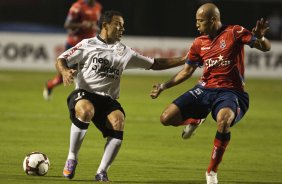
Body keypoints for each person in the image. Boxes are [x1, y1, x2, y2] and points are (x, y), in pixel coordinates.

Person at [56, 10, 187, 182]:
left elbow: (155, 63)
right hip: (84, 93)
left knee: (118, 121)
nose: (122, 29)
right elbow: (61, 59)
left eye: (123, 26)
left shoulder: (125, 52)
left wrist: (184, 59)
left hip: (107, 99)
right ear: (105, 25)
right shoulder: (87, 44)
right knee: (86, 110)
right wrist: (65, 71)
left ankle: (101, 172)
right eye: (118, 25)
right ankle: (72, 157)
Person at [150, 3, 271, 184]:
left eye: (200, 21)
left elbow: (265, 47)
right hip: (204, 89)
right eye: (196, 21)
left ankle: (211, 171)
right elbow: (186, 71)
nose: (197, 25)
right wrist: (163, 86)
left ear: (213, 20)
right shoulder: (199, 43)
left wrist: (261, 38)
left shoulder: (234, 32)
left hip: (231, 92)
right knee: (166, 118)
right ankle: (196, 119)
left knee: (224, 121)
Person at [43, 0, 102, 101]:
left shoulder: (98, 6)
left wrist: (97, 29)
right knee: (65, 76)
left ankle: (85, 100)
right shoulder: (77, 6)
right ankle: (49, 85)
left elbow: (97, 24)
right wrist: (82, 25)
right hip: (75, 44)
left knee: (90, 72)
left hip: (90, 45)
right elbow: (67, 25)